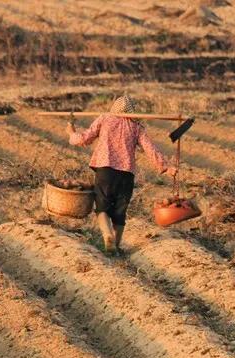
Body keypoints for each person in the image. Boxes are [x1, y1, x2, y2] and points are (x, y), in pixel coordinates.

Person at [66, 95, 177, 254]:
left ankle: (107, 235)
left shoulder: (105, 119)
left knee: (102, 207)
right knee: (119, 212)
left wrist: (71, 133)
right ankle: (116, 247)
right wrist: (166, 167)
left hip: (105, 170)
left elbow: (84, 138)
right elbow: (150, 149)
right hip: (126, 174)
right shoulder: (136, 126)